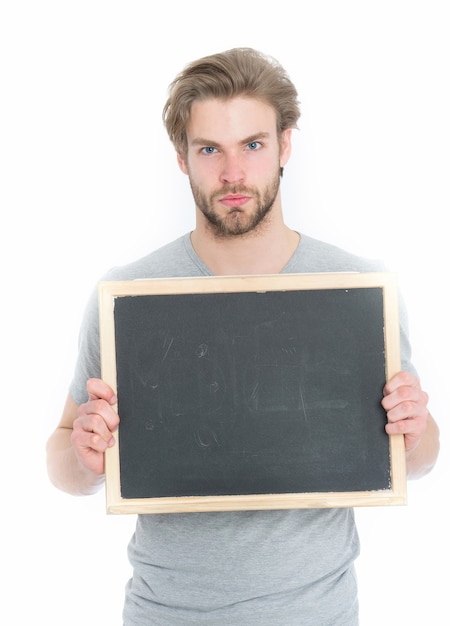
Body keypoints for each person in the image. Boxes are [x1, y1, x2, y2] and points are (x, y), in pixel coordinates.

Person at [46, 47, 440, 625]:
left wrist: (417, 428)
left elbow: (420, 456)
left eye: (253, 145)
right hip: (166, 614)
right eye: (210, 149)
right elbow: (61, 456)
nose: (233, 174)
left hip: (318, 614)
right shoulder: (129, 295)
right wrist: (83, 456)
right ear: (182, 157)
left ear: (284, 146)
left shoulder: (359, 291)